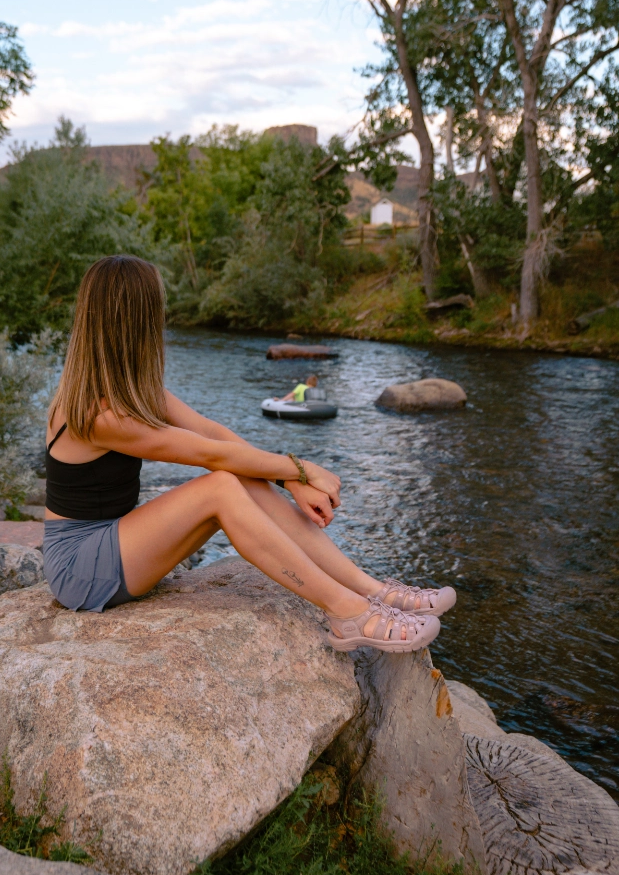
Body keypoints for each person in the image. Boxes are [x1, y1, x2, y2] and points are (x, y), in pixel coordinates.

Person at [43, 256, 456, 653]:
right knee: (221, 486)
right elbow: (208, 453)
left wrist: (288, 478)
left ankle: (372, 589)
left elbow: (213, 432)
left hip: (119, 541)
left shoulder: (131, 392)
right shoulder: (98, 415)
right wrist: (301, 467)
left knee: (236, 475)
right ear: (136, 323)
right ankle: (348, 613)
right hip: (80, 567)